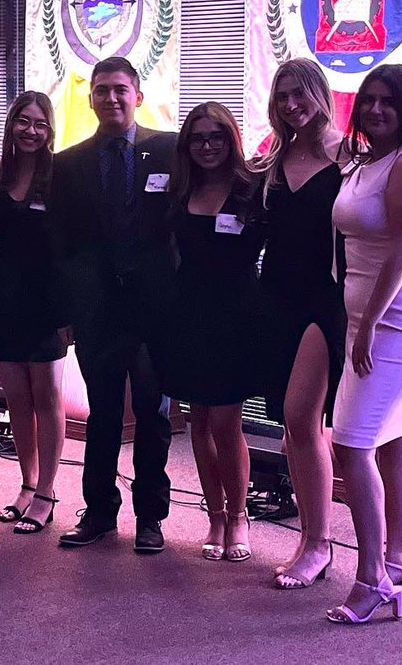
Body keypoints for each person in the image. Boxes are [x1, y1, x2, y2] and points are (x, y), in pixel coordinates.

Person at [327, 64, 402, 624]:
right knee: (394, 439)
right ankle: (401, 559)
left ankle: (371, 577)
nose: (375, 109)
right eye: (368, 100)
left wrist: (369, 322)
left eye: (388, 102)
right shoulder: (361, 162)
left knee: (351, 446)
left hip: (397, 323)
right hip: (366, 321)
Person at [49, 56, 177, 554]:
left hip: (153, 312)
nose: (111, 98)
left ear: (138, 96)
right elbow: (61, 246)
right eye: (101, 90)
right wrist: (65, 314)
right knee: (102, 415)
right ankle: (99, 513)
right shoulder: (69, 163)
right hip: (97, 312)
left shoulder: (169, 152)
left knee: (154, 415)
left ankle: (151, 517)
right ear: (91, 98)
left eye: (120, 89)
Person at [254, 58, 347, 590]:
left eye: (300, 94)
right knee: (293, 430)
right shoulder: (274, 157)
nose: (291, 104)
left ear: (319, 92)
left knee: (301, 417)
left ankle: (319, 544)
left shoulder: (347, 155)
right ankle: (312, 534)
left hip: (325, 300)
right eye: (282, 95)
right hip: (275, 299)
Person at [158, 102, 266, 562]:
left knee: (226, 422)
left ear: (230, 140)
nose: (206, 146)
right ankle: (215, 516)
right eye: (198, 138)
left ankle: (239, 516)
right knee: (198, 421)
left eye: (215, 137)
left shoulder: (252, 190)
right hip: (188, 312)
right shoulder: (180, 188)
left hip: (237, 315)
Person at [0, 92, 68, 534]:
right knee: (16, 398)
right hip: (5, 292)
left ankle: (48, 492)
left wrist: (70, 307)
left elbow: (73, 243)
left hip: (47, 296)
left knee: (47, 398)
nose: (30, 130)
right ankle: (27, 483)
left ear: (49, 129)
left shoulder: (60, 174)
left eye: (39, 123)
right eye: (23, 121)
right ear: (12, 124)